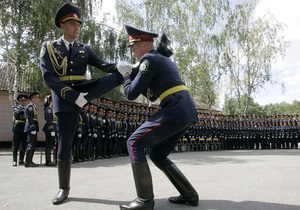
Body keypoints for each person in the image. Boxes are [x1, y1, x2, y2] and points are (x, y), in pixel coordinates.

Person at [39, 2, 123, 205]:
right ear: (62, 25)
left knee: (119, 74)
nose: (77, 28)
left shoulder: (84, 49)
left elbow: (104, 65)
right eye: (73, 24)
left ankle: (138, 69)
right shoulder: (49, 47)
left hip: (84, 91)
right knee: (65, 142)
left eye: (79, 24)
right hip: (63, 97)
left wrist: (122, 66)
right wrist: (71, 96)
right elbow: (49, 78)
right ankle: (63, 188)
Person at [117, 25, 199, 210]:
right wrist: (136, 75)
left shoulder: (148, 59)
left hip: (175, 107)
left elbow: (130, 93)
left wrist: (126, 75)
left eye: (134, 47)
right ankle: (189, 195)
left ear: (144, 45)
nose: (133, 52)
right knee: (157, 154)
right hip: (184, 108)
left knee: (133, 143)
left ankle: (144, 201)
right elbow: (153, 96)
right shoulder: (159, 59)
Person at [24, 91, 41, 167]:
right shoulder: (30, 107)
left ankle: (30, 160)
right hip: (31, 127)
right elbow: (30, 118)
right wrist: (32, 128)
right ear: (32, 98)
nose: (38, 99)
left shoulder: (33, 106)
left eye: (38, 97)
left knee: (33, 144)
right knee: (30, 144)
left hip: (33, 127)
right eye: (36, 98)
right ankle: (27, 162)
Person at [12, 94, 29, 166]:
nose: (23, 102)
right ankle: (14, 160)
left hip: (24, 127)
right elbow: (17, 113)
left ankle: (21, 160)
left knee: (24, 145)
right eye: (22, 101)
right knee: (16, 145)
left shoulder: (27, 108)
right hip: (17, 128)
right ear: (19, 101)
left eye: (25, 101)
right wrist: (24, 110)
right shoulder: (16, 108)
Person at [42, 95, 57, 166]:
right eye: (52, 100)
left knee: (55, 145)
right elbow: (48, 120)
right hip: (50, 128)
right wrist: (51, 129)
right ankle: (48, 161)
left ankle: (55, 159)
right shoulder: (49, 109)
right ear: (50, 101)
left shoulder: (55, 108)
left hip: (56, 128)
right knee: (49, 145)